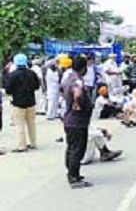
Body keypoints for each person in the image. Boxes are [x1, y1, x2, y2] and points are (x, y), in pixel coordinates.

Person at [61, 56, 94, 189]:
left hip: (70, 119)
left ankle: (72, 172)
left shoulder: (68, 78)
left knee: (71, 148)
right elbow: (78, 95)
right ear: (84, 68)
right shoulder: (77, 81)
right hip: (77, 120)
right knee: (77, 149)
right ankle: (73, 178)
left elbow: (61, 90)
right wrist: (78, 105)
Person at [4, 53, 40, 153]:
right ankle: (33, 143)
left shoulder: (12, 75)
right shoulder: (32, 73)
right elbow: (37, 86)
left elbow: (8, 90)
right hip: (31, 102)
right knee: (31, 124)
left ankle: (22, 146)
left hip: (18, 103)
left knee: (20, 125)